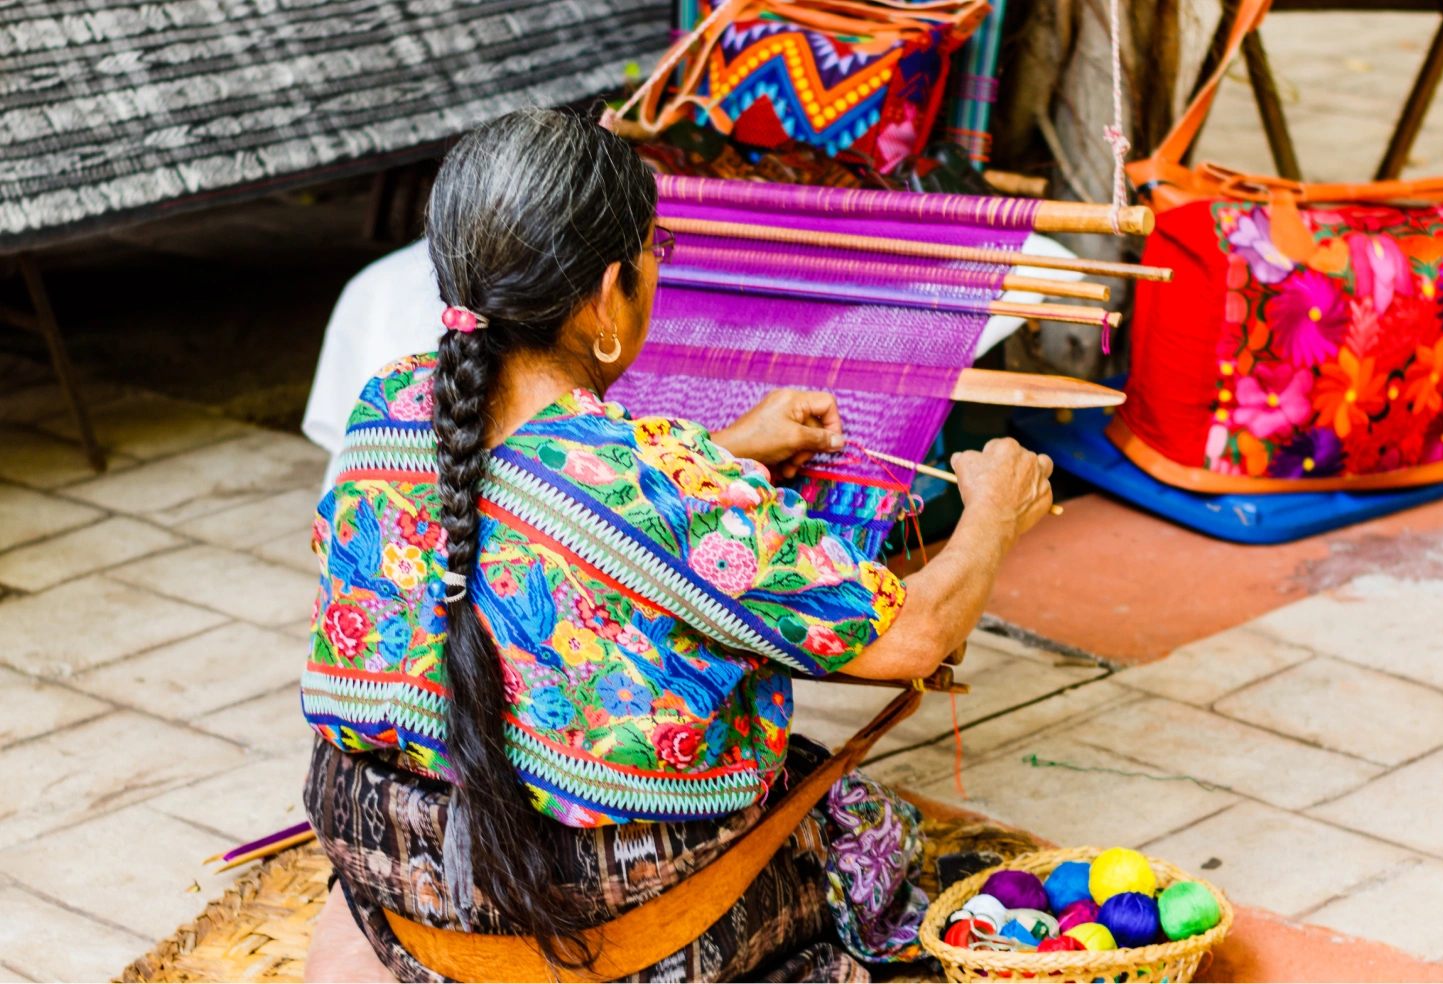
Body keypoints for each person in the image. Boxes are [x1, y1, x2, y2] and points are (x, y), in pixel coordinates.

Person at [301, 107, 1054, 982]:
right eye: (656, 251)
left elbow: (533, 507)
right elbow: (916, 635)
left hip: (399, 876)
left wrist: (726, 450)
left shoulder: (387, 406)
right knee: (870, 834)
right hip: (598, 909)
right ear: (606, 292)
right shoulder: (661, 487)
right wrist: (996, 510)